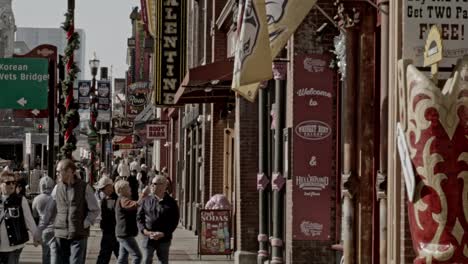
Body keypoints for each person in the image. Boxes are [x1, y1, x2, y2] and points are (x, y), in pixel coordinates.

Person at [51, 159, 100, 264]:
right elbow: (52, 209)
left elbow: (95, 209)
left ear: (69, 171)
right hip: (61, 233)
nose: (57, 174)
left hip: (78, 233)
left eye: (59, 171)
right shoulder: (57, 188)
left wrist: (85, 223)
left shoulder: (84, 187)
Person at [0, 171, 40, 264]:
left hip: (14, 245)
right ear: (0, 184)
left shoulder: (20, 200)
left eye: (14, 182)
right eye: (8, 183)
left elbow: (29, 219)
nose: (12, 185)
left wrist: (36, 235)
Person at [137, 175, 179, 264]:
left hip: (164, 238)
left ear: (163, 186)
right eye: (151, 183)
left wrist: (163, 233)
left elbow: (174, 221)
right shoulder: (146, 200)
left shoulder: (171, 202)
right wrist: (145, 231)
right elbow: (139, 218)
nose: (151, 186)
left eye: (154, 184)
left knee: (163, 261)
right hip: (148, 238)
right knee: (146, 260)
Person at [114, 180, 148, 264]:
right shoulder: (123, 200)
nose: (130, 189)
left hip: (123, 233)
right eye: (128, 188)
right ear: (122, 190)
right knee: (137, 256)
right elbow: (135, 205)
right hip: (125, 233)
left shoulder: (122, 199)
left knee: (122, 257)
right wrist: (143, 195)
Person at [95, 177, 119, 264]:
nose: (102, 191)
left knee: (106, 256)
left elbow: (110, 216)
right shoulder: (105, 199)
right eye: (101, 189)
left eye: (103, 188)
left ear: (109, 187)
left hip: (113, 232)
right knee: (105, 256)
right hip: (108, 232)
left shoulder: (114, 199)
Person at [32, 176, 56, 264]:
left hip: (43, 230)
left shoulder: (37, 199)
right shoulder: (55, 198)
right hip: (55, 229)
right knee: (54, 255)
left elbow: (34, 216)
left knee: (45, 255)